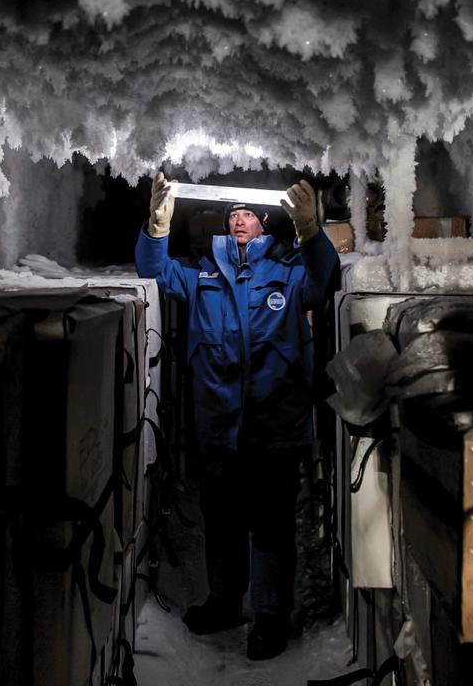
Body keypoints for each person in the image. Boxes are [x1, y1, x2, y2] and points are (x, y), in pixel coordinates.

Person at [135, 172, 340, 661]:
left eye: (248, 213)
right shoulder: (202, 273)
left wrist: (312, 232)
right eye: (233, 215)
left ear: (264, 220)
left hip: (276, 425)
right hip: (218, 427)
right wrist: (156, 228)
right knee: (222, 517)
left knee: (270, 523)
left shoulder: (289, 272)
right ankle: (225, 602)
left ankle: (270, 616)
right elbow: (154, 271)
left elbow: (324, 279)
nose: (240, 220)